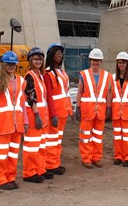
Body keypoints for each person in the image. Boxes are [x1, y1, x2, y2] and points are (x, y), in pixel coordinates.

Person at [0, 51, 28, 190]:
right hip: (2, 124)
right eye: (8, 64)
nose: (11, 66)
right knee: (0, 154)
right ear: (3, 65)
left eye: (13, 64)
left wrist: (25, 121)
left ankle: (10, 178)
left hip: (16, 125)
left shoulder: (21, 81)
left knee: (12, 154)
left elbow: (22, 103)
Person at [75, 47, 112, 169]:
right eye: (93, 60)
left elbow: (107, 93)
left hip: (100, 111)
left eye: (98, 60)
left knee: (98, 136)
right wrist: (78, 108)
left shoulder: (107, 76)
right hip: (87, 111)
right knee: (85, 136)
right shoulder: (84, 75)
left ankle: (96, 158)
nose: (95, 63)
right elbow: (79, 92)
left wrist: (108, 108)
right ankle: (86, 158)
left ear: (101, 61)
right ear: (90, 61)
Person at [22, 47, 51, 183]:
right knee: (31, 146)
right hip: (35, 116)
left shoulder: (40, 75)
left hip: (42, 117)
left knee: (41, 145)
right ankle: (29, 173)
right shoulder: (30, 76)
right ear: (30, 60)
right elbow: (31, 97)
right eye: (35, 59)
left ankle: (40, 169)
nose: (38, 61)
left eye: (40, 59)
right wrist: (37, 115)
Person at [44, 43, 71, 175]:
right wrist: (52, 114)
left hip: (63, 111)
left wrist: (69, 109)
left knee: (57, 139)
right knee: (52, 139)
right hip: (55, 113)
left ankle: (55, 162)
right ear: (51, 55)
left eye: (61, 53)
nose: (60, 55)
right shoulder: (48, 73)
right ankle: (50, 165)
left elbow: (65, 92)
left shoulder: (61, 72)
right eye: (57, 52)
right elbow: (48, 95)